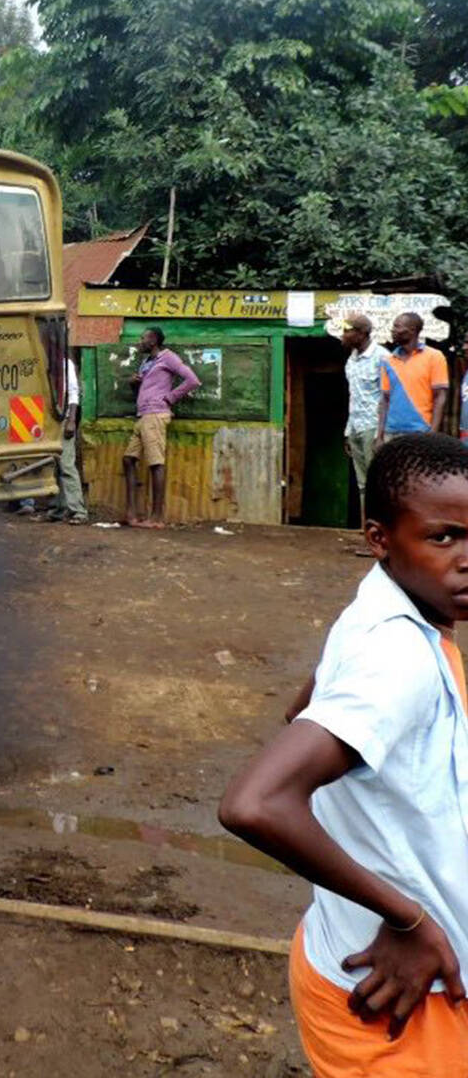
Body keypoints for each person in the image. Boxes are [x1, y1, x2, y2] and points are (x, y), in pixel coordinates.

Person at [219, 433, 468, 1073]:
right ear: (380, 538)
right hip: (401, 997)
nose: (467, 559)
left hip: (364, 953)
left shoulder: (389, 608)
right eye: (443, 538)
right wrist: (408, 920)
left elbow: (305, 705)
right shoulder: (399, 658)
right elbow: (255, 804)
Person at [123, 327, 200, 527]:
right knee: (128, 460)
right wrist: (134, 383)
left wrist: (170, 397)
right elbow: (145, 387)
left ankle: (157, 518)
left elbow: (192, 380)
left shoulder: (168, 357)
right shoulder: (146, 362)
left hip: (156, 415)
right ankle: (131, 513)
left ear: (153, 340)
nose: (139, 341)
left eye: (143, 338)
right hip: (142, 415)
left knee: (156, 463)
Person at [340, 314, 391, 514]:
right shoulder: (351, 361)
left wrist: (381, 434)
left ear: (361, 334)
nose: (343, 335)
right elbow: (354, 398)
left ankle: (380, 530)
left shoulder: (383, 358)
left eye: (347, 330)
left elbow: (389, 397)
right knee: (363, 484)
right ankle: (366, 531)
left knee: (377, 482)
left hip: (373, 427)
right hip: (356, 428)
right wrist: (348, 431)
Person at [377, 312, 448, 442]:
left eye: (397, 326)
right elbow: (384, 400)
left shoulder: (435, 357)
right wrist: (380, 436)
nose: (393, 330)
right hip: (391, 433)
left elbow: (440, 397)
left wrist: (432, 433)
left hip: (421, 432)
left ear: (412, 330)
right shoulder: (387, 360)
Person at [47, 353, 88, 524]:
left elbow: (73, 392)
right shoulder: (45, 362)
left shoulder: (65, 364)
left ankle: (78, 510)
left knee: (66, 464)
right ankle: (59, 508)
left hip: (63, 419)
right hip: (48, 422)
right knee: (54, 465)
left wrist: (71, 420)